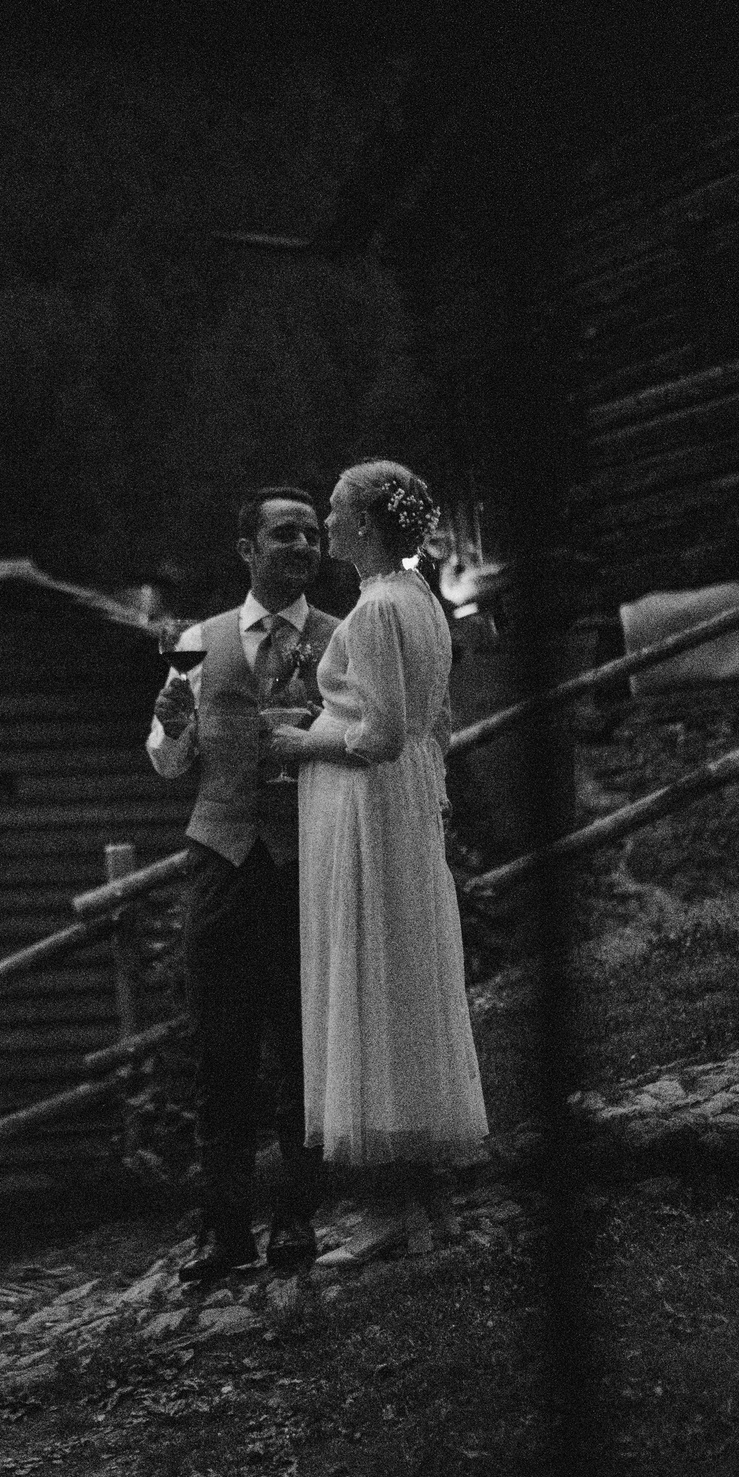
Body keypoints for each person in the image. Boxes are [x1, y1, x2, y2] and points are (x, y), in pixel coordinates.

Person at [263, 459, 489, 1263]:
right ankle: (430, 1203)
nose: (325, 523)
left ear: (365, 523)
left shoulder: (380, 608)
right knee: (401, 979)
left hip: (368, 816)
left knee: (374, 981)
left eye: (334, 510)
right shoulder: (418, 599)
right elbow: (437, 723)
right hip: (393, 811)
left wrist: (301, 738)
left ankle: (400, 1208)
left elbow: (385, 732)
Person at [147, 486, 339, 1282]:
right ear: (246, 550)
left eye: (313, 533)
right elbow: (167, 761)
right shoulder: (199, 640)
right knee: (220, 1054)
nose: (302, 544)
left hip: (310, 861)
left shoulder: (344, 638)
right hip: (222, 865)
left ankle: (297, 1220)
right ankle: (223, 1231)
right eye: (284, 532)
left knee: (303, 1049)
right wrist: (172, 724)